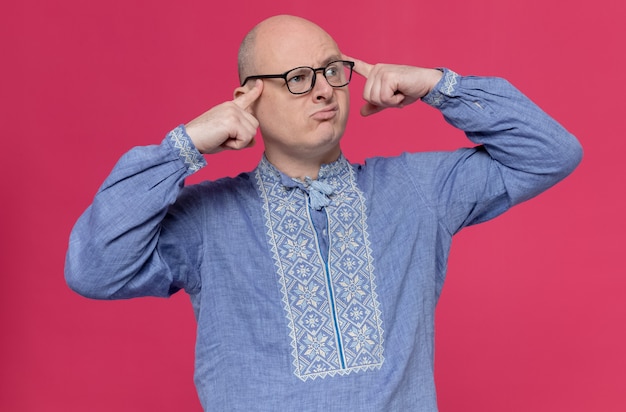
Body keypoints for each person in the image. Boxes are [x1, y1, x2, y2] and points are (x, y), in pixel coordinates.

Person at [65, 14, 582, 411]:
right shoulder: (207, 219)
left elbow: (551, 153)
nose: (322, 88)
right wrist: (184, 146)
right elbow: (95, 269)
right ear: (248, 98)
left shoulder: (415, 190)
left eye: (333, 70)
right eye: (297, 77)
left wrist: (434, 84)